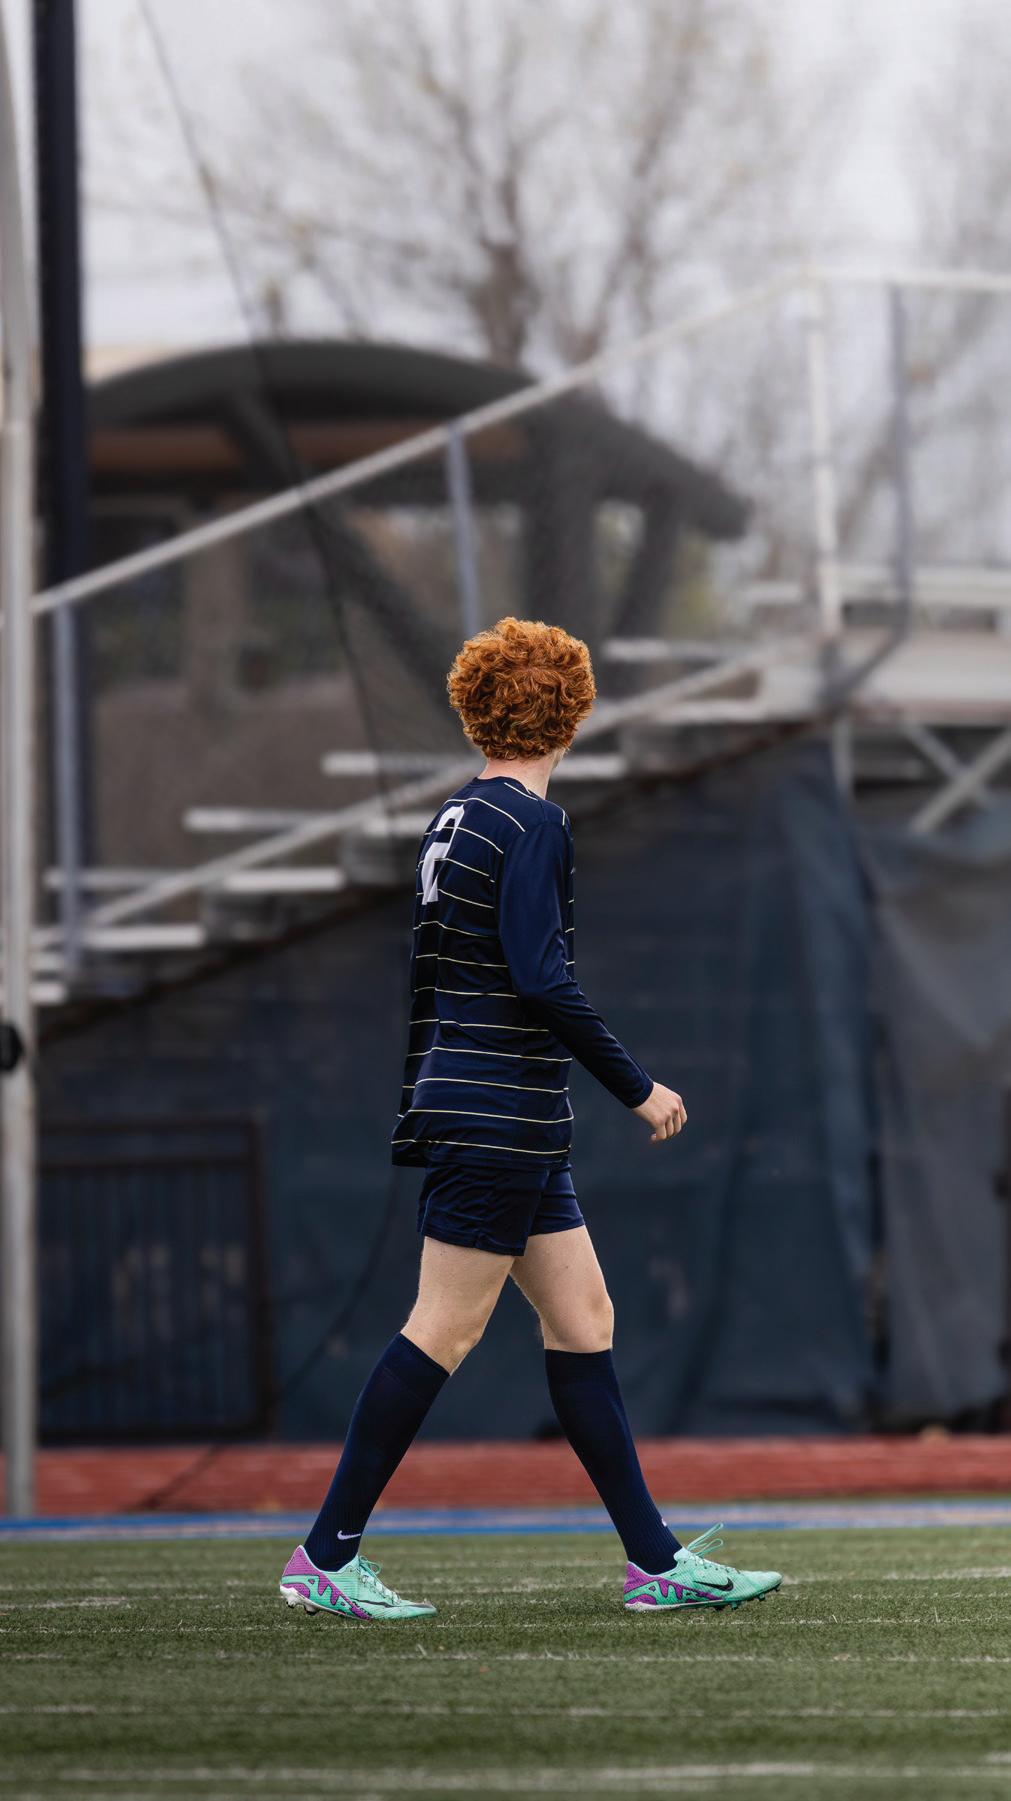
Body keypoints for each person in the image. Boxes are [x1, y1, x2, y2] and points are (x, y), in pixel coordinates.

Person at [280, 617, 781, 1622]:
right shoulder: (534, 823)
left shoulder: (456, 816)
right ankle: (324, 1556)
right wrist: (637, 1085)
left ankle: (654, 1562)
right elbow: (541, 976)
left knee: (584, 1318)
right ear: (571, 712)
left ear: (477, 710)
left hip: (501, 1109)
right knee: (443, 1327)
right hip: (498, 1111)